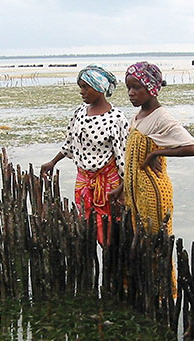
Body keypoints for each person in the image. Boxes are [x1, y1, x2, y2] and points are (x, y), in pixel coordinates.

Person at [41, 64, 128, 245]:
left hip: (108, 183)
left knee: (109, 231)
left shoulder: (116, 118)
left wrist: (123, 189)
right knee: (86, 227)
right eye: (80, 87)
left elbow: (123, 157)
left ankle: (110, 264)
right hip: (83, 182)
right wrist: (53, 162)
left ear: (99, 88)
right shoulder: (80, 113)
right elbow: (70, 143)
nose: (82, 92)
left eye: (85, 87)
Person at [117, 61, 194, 235]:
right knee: (141, 249)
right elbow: (133, 163)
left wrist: (156, 153)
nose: (131, 93)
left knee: (156, 249)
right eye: (128, 88)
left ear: (151, 88)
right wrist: (121, 189)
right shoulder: (137, 117)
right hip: (136, 194)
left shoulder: (161, 117)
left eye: (137, 87)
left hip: (153, 193)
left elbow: (193, 148)